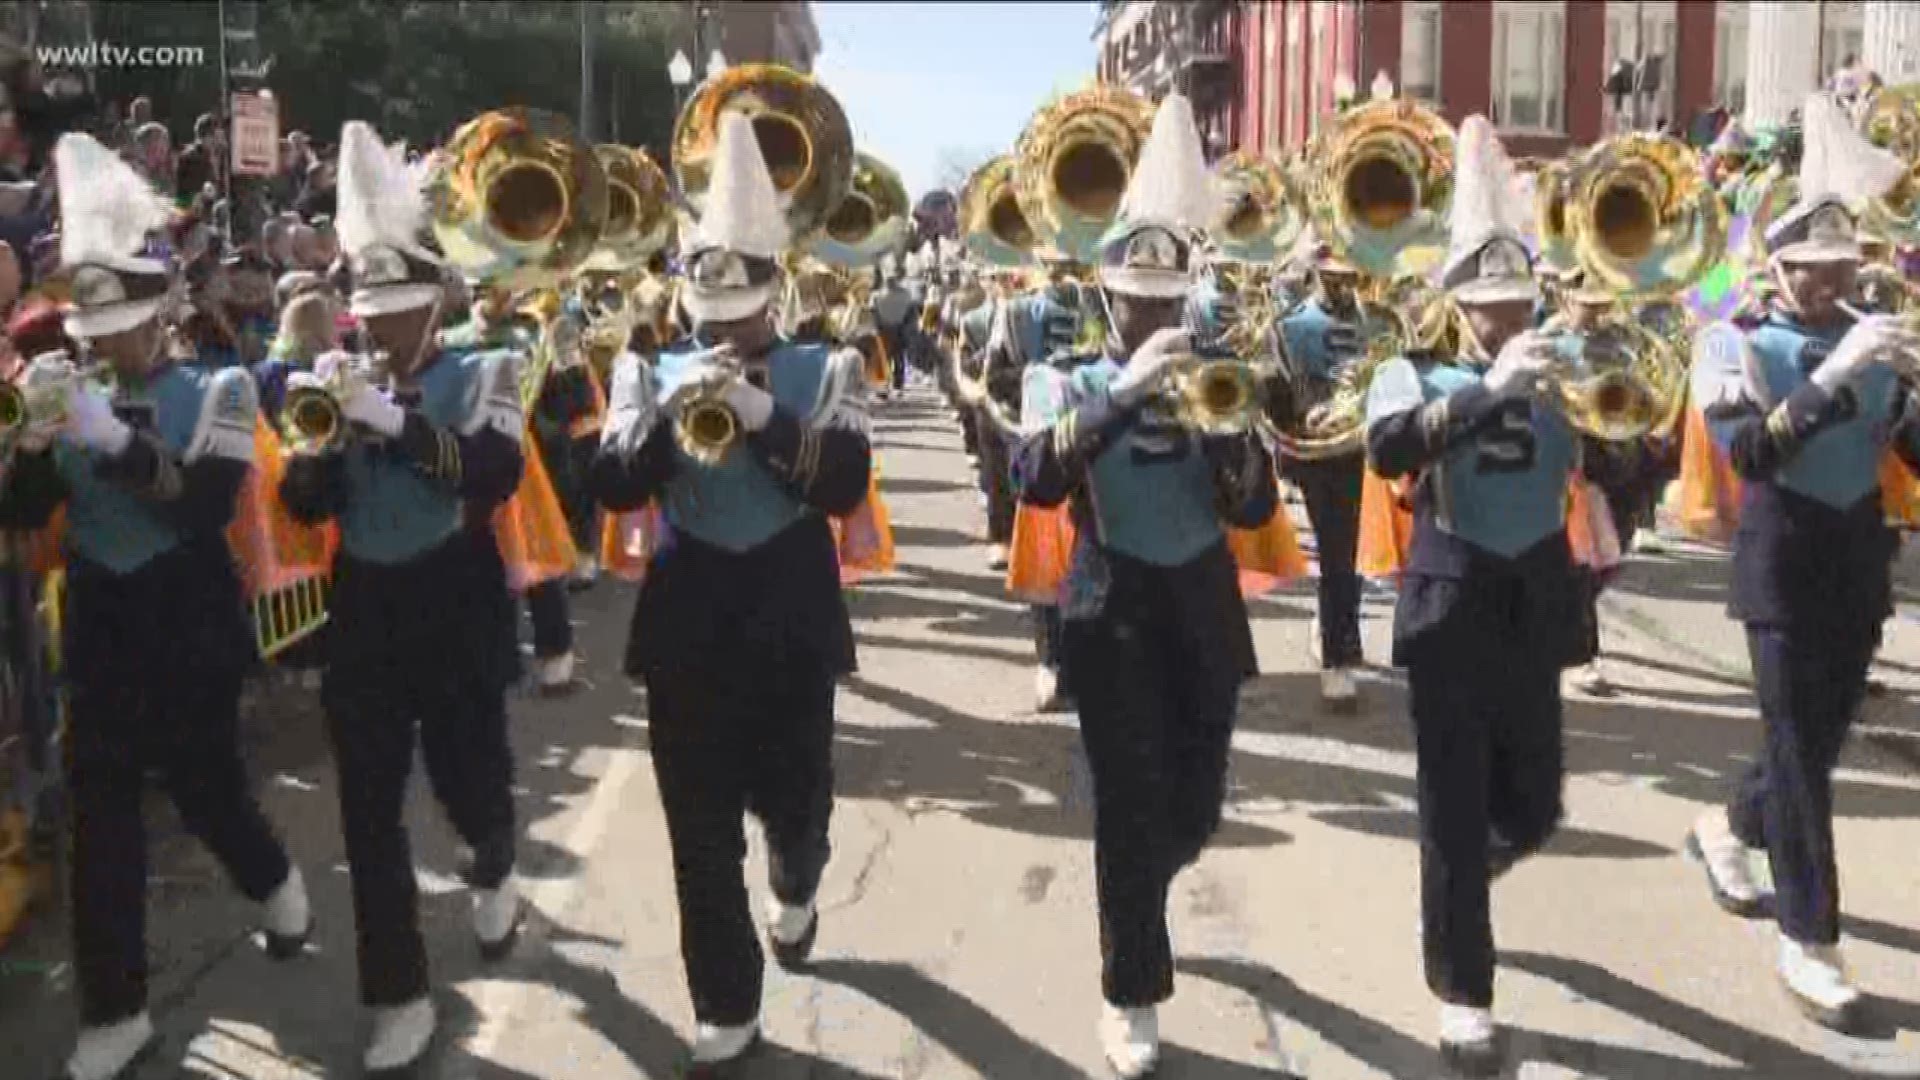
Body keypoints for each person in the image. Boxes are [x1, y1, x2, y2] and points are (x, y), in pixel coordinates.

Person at [0, 134, 307, 1080]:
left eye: (121, 316)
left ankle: (274, 880)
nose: (99, 339)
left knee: (207, 787)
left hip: (189, 615)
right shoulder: (65, 391)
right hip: (99, 616)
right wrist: (36, 449)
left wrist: (114, 442)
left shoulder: (216, 388)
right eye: (88, 322)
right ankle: (116, 1010)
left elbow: (205, 504)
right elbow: (22, 518)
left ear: (162, 309)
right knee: (101, 817)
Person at [590, 112, 871, 1074]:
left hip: (791, 614)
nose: (721, 326)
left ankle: (797, 886)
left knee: (797, 809)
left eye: (742, 304)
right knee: (697, 831)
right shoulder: (642, 366)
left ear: (774, 290)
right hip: (688, 620)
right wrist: (666, 420)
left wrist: (761, 412)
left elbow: (841, 483)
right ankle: (726, 997)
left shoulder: (826, 366)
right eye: (709, 307)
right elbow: (614, 483)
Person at [1012, 93, 1278, 1078]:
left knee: (1196, 806)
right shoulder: (1065, 379)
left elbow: (1252, 510)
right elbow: (1033, 477)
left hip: (1202, 604)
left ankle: (1147, 897)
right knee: (1129, 809)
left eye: (1170, 302)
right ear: (1107, 298)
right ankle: (1132, 988)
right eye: (1139, 301)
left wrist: (1230, 441)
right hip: (1112, 606)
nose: (1158, 316)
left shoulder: (1222, 375)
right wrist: (1122, 397)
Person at [278, 121, 526, 1074]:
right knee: (367, 810)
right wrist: (325, 440)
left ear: (432, 304)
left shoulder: (484, 370)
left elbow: (493, 472)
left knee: (470, 784)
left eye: (392, 306)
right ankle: (398, 993)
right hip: (367, 606)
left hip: (454, 595)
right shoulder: (340, 382)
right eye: (365, 306)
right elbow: (303, 505)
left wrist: (402, 427)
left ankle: (495, 859)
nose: (373, 325)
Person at [1684, 93, 1920, 1033]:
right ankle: (1810, 938)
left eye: (1842, 267)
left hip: (1858, 562)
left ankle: (1726, 827)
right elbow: (1747, 456)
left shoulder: (1874, 334)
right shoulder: (1731, 339)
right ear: (1775, 267)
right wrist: (1830, 376)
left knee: (1811, 747)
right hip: (1778, 564)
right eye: (1812, 270)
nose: (1830, 284)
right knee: (1799, 755)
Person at [1363, 116, 1592, 1074]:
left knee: (1536, 803)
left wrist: (1617, 415)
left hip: (1536, 601)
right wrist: (1485, 387)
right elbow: (1387, 448)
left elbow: (1626, 459)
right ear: (1456, 301)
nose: (1506, 317)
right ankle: (1464, 985)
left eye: (1517, 299)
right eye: (1487, 301)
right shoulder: (1410, 370)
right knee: (1452, 803)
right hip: (1450, 605)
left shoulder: (1561, 372)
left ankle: (1463, 879)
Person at [1276, 242, 1369, 709]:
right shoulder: (1293, 326)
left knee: (1356, 553)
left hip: (1367, 448)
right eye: (1332, 275)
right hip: (1322, 453)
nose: (1343, 284)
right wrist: (1309, 411)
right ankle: (1337, 656)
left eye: (1349, 275)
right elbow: (1280, 395)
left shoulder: (1378, 321)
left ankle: (1337, 624)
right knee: (1337, 552)